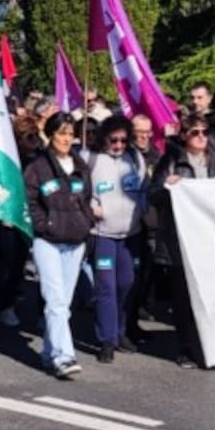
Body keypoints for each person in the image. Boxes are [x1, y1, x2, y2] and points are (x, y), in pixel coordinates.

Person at [150, 114, 215, 371]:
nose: (201, 137)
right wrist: (168, 186)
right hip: (181, 242)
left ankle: (213, 350)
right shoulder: (172, 160)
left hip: (209, 241)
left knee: (212, 298)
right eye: (195, 132)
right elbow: (153, 194)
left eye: (204, 132)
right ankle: (187, 349)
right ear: (184, 136)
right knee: (184, 298)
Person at [24, 112, 93, 380]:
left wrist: (86, 221)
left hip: (75, 241)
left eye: (69, 133)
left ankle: (49, 352)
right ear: (50, 135)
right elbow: (29, 202)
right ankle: (64, 356)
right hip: (48, 242)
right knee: (55, 300)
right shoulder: (37, 167)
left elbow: (86, 197)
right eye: (60, 133)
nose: (65, 138)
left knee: (63, 301)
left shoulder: (80, 166)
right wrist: (44, 225)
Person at [86, 115, 149, 363]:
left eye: (124, 140)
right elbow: (81, 189)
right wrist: (93, 207)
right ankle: (107, 340)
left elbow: (144, 186)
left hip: (129, 234)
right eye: (114, 140)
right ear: (105, 137)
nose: (119, 145)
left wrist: (142, 206)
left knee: (126, 284)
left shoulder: (134, 158)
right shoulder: (91, 159)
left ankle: (121, 330)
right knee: (106, 288)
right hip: (102, 235)